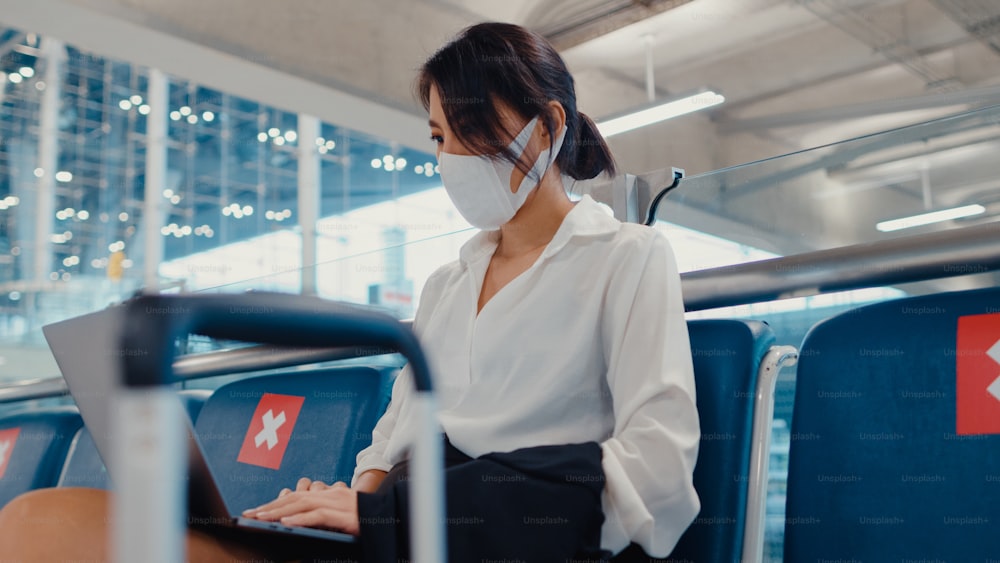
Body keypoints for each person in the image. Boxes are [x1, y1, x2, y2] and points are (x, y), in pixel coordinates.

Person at [0, 22, 699, 562]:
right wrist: (347, 505)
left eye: (472, 134)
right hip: (398, 534)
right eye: (438, 138)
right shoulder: (446, 285)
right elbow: (390, 442)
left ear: (547, 127)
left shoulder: (627, 258)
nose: (451, 160)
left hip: (500, 537)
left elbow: (659, 467)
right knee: (41, 520)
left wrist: (391, 516)